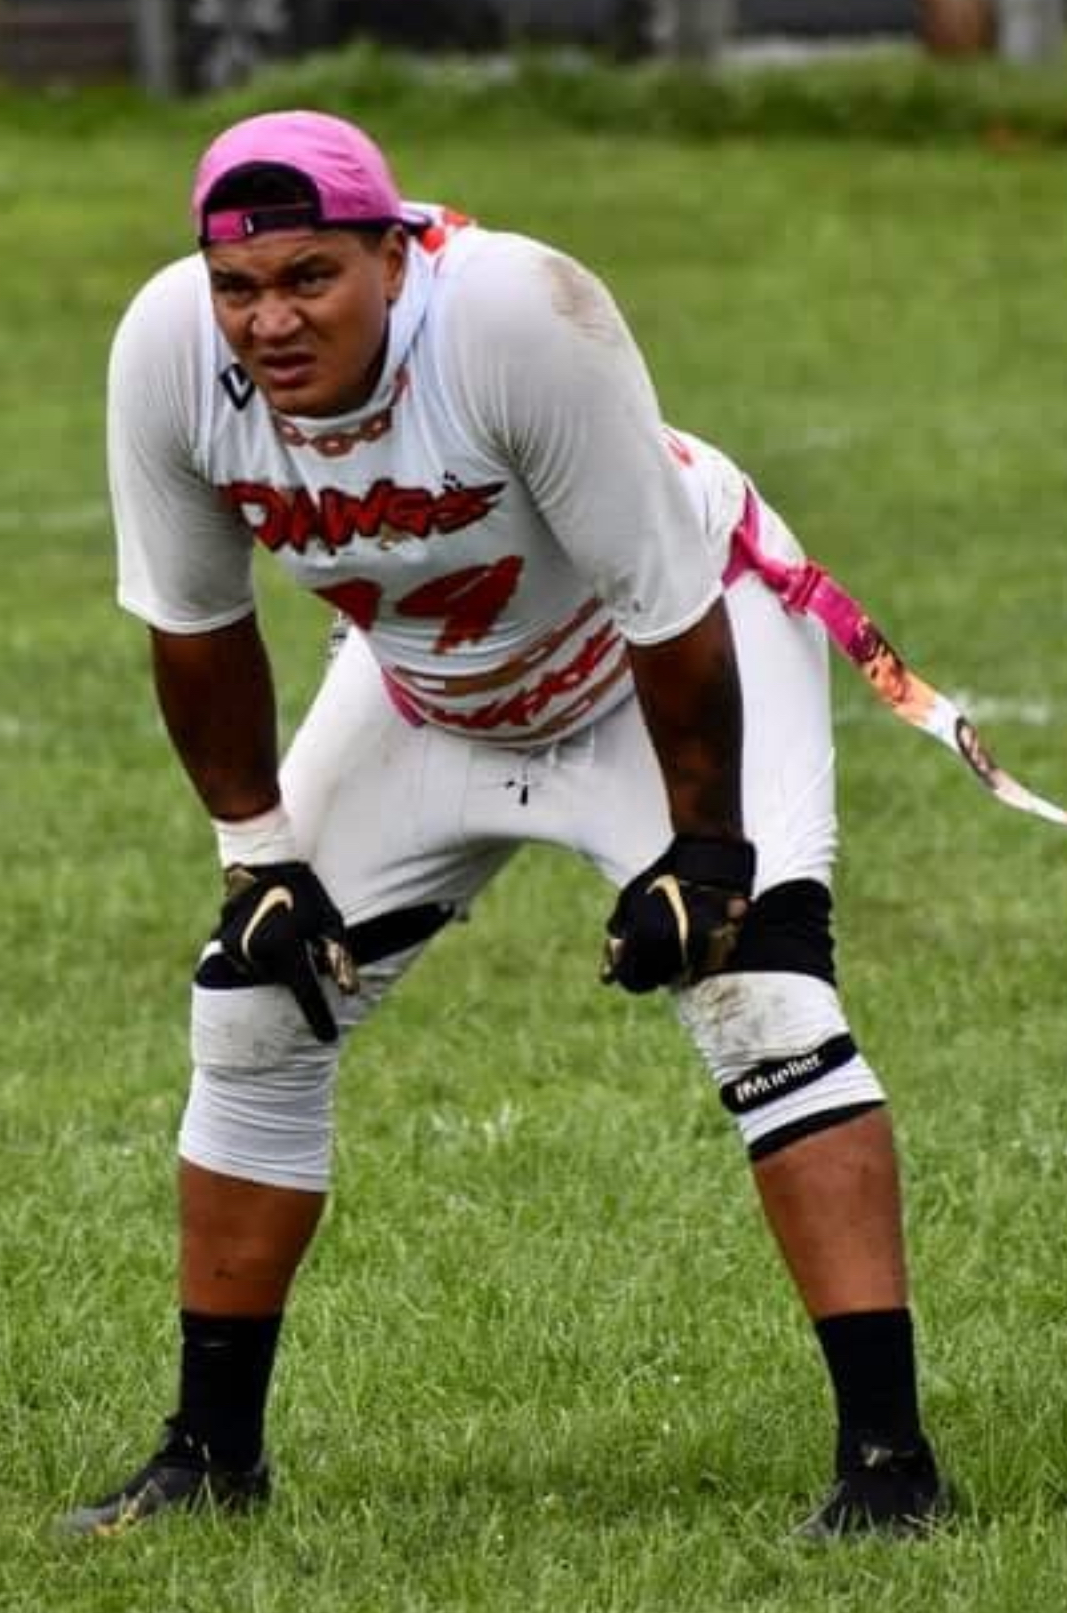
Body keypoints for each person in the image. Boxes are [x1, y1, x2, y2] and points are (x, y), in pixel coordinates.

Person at [61, 109, 948, 1540]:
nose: (270, 321)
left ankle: (890, 1469)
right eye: (240, 287)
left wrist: (706, 852)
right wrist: (256, 856)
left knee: (765, 996)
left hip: (654, 663)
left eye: (310, 277)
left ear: (394, 254)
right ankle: (210, 1458)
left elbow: (667, 599)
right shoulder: (168, 349)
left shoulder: (517, 314)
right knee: (252, 1006)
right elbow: (197, 622)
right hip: (429, 687)